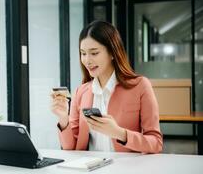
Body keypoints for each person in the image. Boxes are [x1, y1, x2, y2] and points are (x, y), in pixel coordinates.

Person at [51, 20, 163, 153]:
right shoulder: (80, 92)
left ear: (112, 53)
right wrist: (63, 119)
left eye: (94, 53)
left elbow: (156, 143)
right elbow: (71, 148)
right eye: (83, 53)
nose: (87, 60)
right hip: (90, 170)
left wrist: (120, 133)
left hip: (126, 170)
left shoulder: (140, 86)